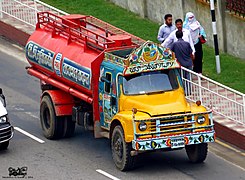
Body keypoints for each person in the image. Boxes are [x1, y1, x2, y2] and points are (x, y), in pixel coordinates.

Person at [171, 30, 193, 95]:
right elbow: (190, 53)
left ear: (176, 36)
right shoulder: (187, 43)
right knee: (188, 78)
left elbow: (171, 52)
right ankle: (188, 92)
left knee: (181, 78)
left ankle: (183, 92)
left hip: (181, 64)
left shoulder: (175, 44)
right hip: (189, 63)